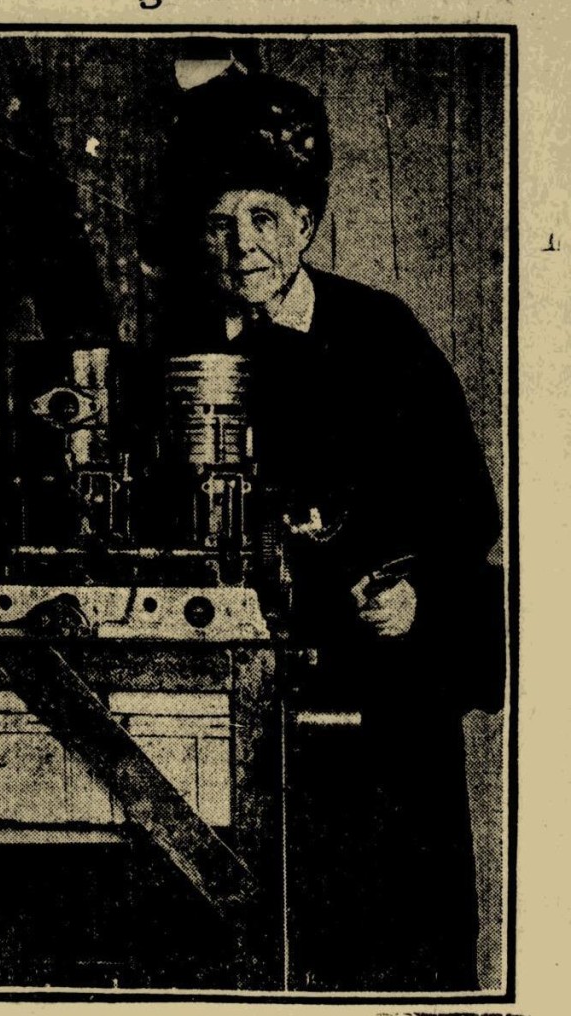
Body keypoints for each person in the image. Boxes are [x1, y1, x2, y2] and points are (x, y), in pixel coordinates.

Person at [157, 70, 504, 991]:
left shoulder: (381, 334)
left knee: (391, 939)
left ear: (305, 224)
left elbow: (470, 511)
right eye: (218, 224)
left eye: (263, 218)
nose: (242, 245)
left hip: (379, 694)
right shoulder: (180, 348)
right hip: (244, 699)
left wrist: (417, 592)